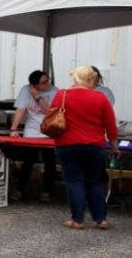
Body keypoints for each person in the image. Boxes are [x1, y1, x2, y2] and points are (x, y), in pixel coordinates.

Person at [51, 66, 118, 230]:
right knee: (94, 182)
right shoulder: (100, 98)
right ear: (91, 79)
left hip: (67, 145)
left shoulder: (62, 95)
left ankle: (78, 220)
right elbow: (111, 125)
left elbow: (51, 115)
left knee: (74, 181)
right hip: (94, 146)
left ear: (76, 78)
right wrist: (114, 147)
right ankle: (101, 219)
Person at [9, 70, 59, 201]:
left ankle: (47, 191)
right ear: (34, 85)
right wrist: (14, 129)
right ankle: (20, 189)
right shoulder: (25, 90)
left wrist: (37, 96)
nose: (47, 84)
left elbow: (50, 112)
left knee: (50, 163)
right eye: (43, 82)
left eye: (48, 80)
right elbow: (20, 110)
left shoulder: (55, 91)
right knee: (27, 161)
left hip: (49, 130)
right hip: (31, 131)